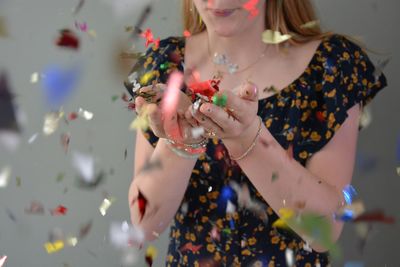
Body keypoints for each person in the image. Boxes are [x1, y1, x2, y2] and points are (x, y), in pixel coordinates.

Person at [126, 0, 388, 266]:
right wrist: (179, 143)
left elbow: (324, 232)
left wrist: (247, 138)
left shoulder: (330, 67)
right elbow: (145, 225)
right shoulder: (163, 64)